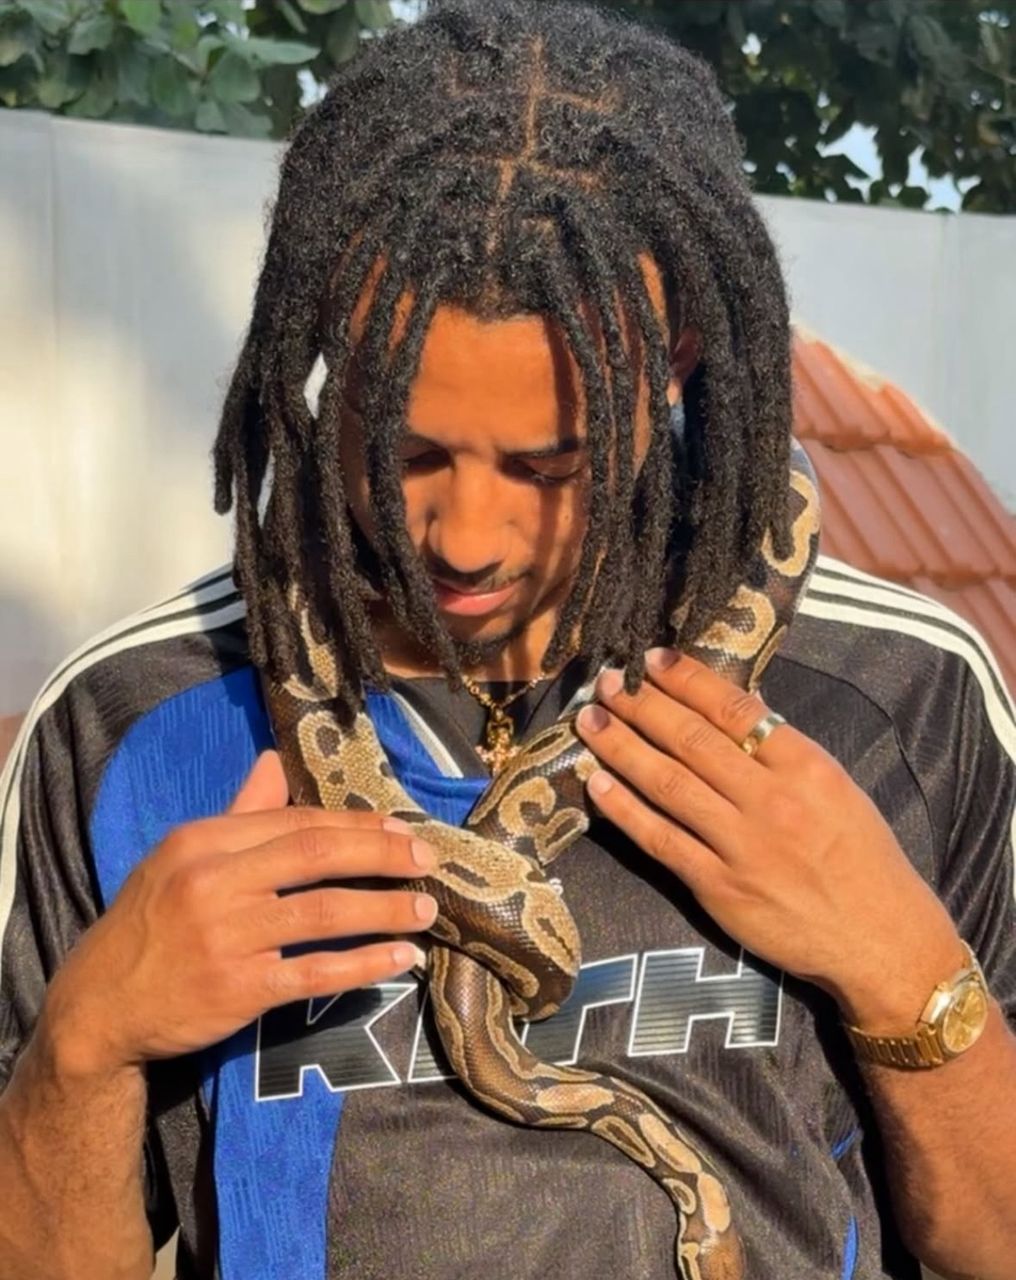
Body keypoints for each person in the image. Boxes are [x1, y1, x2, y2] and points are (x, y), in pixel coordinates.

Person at [1, 1, 1014, 1278]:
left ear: (674, 359)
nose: (465, 537)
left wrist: (904, 966)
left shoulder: (900, 694)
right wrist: (85, 1041)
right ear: (325, 348)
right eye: (406, 449)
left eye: (548, 464)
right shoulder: (129, 718)